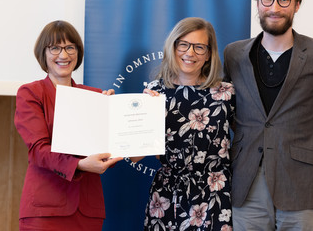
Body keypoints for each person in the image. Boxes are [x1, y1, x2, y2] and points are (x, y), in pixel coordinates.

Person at [223, 0, 313, 230]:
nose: (274, 7)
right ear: (257, 3)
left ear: (297, 4)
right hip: (247, 178)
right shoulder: (233, 54)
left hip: (300, 179)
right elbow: (225, 108)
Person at [14, 20, 122, 231]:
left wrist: (117, 113)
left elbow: (107, 149)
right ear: (43, 53)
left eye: (70, 47)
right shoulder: (31, 93)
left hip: (87, 210)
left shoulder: (95, 95)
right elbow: (38, 150)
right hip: (45, 210)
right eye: (55, 48)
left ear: (78, 52)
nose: (63, 55)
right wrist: (79, 165)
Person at [132, 17, 235, 231]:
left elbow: (253, 133)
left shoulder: (226, 92)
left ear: (208, 54)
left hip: (215, 192)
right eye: (184, 45)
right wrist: (143, 117)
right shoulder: (154, 92)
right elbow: (134, 156)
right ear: (173, 47)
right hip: (167, 195)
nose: (190, 53)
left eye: (199, 47)